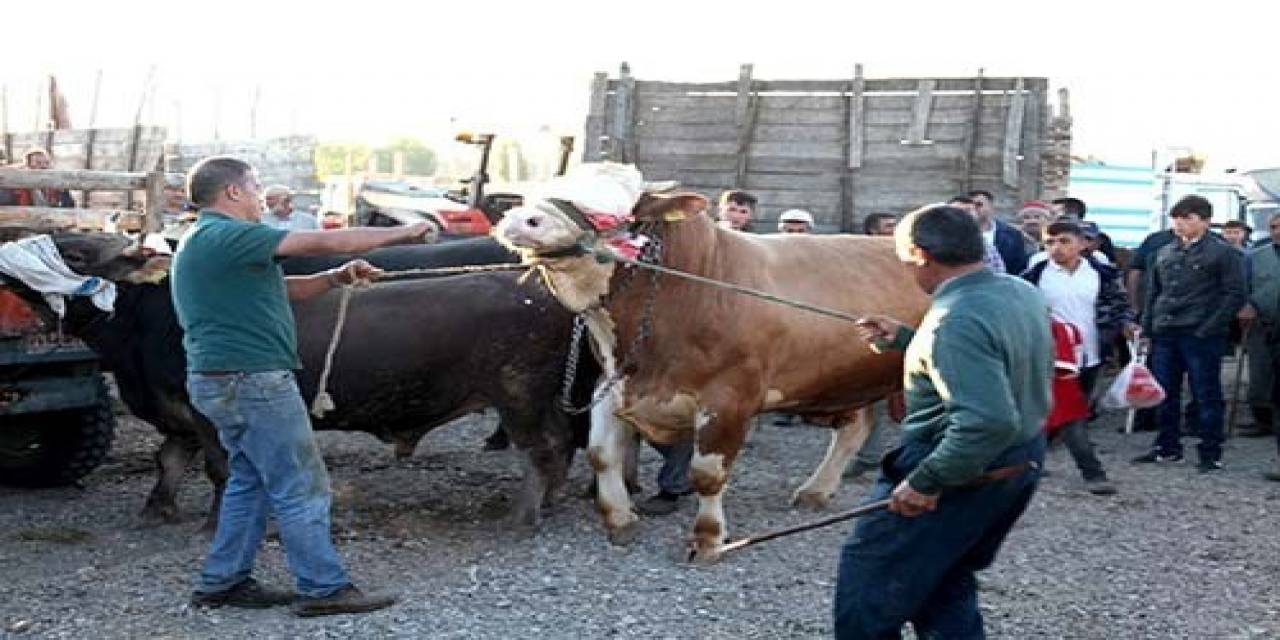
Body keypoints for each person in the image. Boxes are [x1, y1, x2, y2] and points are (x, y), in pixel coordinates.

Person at [173, 156, 432, 616]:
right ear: (232, 192)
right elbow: (318, 240)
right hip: (253, 380)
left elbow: (283, 289)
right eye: (254, 187)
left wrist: (336, 277)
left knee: (249, 481)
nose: (259, 197)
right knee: (300, 484)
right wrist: (402, 232)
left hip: (220, 380)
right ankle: (323, 588)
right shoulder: (228, 233)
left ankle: (222, 581)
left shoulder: (204, 240)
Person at [834, 204, 1051, 638]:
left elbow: (987, 422)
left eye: (902, 259)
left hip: (961, 465)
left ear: (919, 254)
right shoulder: (1018, 291)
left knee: (868, 587)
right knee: (943, 578)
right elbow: (989, 361)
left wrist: (926, 482)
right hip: (1020, 459)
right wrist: (906, 341)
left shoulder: (953, 322)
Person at [639, 188, 761, 515]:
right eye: (731, 209)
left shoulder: (744, 252)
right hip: (669, 340)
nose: (736, 215)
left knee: (696, 411)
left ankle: (675, 485)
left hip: (712, 342)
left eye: (743, 211)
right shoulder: (672, 245)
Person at [1132, 195, 1247, 472]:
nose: (1181, 224)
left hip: (1200, 333)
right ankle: (1167, 447)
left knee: (1205, 393)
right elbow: (1154, 292)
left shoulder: (1223, 253)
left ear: (1205, 221)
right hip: (1166, 331)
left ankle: (1210, 452)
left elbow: (1234, 293)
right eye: (1177, 218)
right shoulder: (1164, 251)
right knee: (1165, 392)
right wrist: (1147, 326)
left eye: (1188, 218)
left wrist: (1210, 327)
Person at [1021, 221, 1135, 495]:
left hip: (1090, 354)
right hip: (1048, 356)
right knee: (1072, 414)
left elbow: (1119, 307)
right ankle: (1092, 471)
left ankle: (1028, 461)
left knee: (1063, 409)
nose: (1056, 248)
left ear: (1083, 244)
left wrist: (1127, 326)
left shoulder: (1103, 274)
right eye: (1050, 242)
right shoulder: (1034, 275)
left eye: (1063, 241)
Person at [1239, 214, 1280, 439]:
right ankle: (1262, 421)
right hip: (1263, 324)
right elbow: (1242, 286)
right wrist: (1245, 305)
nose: (1277, 232)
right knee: (1260, 375)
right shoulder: (1254, 257)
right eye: (1273, 227)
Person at [969, 189, 1029, 275]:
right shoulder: (960, 235)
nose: (974, 209)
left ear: (990, 206)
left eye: (979, 205)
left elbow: (1019, 266)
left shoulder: (1012, 234)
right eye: (970, 206)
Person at [948, 195, 1005, 273]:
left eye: (968, 211)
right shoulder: (936, 242)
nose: (963, 216)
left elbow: (998, 274)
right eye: (957, 212)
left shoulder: (985, 245)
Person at [1052, 196, 1117, 263]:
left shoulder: (1099, 239)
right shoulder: (1050, 237)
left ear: (1072, 213)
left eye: (1053, 213)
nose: (1050, 218)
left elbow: (1111, 266)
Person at [11, 148, 76, 208]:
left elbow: (70, 206)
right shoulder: (17, 185)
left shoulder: (55, 184)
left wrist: (63, 193)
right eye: (38, 163)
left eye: (47, 163)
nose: (44, 166)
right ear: (28, 165)